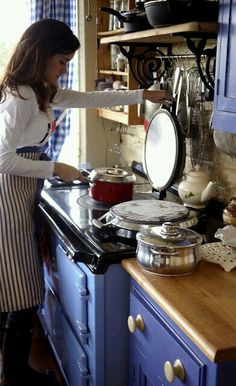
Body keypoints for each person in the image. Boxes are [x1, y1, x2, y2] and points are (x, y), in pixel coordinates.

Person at [0, 19, 174, 386]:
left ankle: (16, 373)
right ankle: (14, 377)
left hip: (21, 188)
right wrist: (55, 166)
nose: (65, 69)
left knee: (19, 293)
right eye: (62, 61)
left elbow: (89, 98)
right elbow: (1, 158)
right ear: (40, 54)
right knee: (19, 294)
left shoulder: (40, 89)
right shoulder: (20, 96)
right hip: (7, 195)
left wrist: (142, 95)